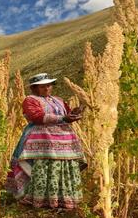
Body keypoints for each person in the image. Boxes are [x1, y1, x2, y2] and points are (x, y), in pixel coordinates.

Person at [6, 73, 85, 209]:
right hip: (41, 141)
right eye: (43, 86)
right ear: (34, 88)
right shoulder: (30, 100)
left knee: (63, 167)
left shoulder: (58, 100)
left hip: (64, 141)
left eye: (49, 85)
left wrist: (77, 111)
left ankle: (64, 201)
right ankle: (39, 201)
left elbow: (67, 113)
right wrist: (63, 119)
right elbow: (37, 116)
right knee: (42, 167)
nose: (47, 88)